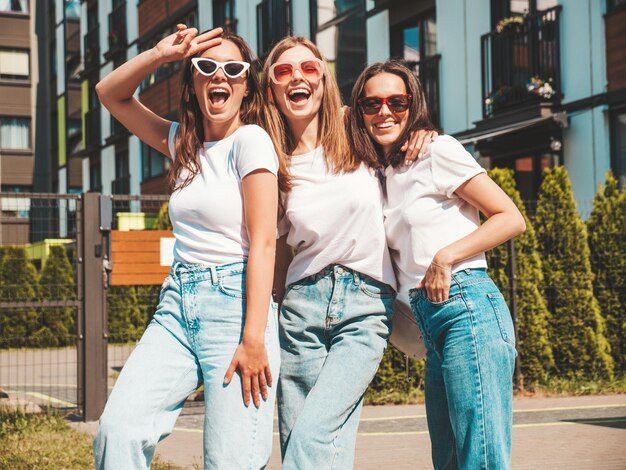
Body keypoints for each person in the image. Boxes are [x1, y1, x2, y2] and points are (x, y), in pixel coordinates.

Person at [93, 26, 280, 470]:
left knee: (230, 461)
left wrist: (253, 338)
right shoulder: (183, 143)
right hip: (178, 303)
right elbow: (109, 93)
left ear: (246, 84)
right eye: (207, 66)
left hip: (237, 309)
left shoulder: (251, 141)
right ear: (193, 80)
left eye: (233, 69)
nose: (220, 76)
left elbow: (265, 242)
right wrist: (160, 54)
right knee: (118, 431)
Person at [261, 37, 434, 469]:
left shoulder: (358, 133)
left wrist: (423, 134)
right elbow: (278, 252)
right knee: (306, 438)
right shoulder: (272, 162)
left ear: (324, 80)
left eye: (309, 68)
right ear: (270, 89)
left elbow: (395, 121)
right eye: (283, 71)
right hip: (300, 309)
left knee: (313, 434)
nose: (297, 77)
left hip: (365, 307)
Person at [348, 59, 526, 469]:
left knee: (478, 457)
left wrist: (446, 256)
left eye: (398, 101)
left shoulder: (438, 150)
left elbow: (510, 217)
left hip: (467, 307)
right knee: (447, 459)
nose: (385, 112)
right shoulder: (383, 172)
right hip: (431, 322)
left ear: (415, 105)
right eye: (371, 104)